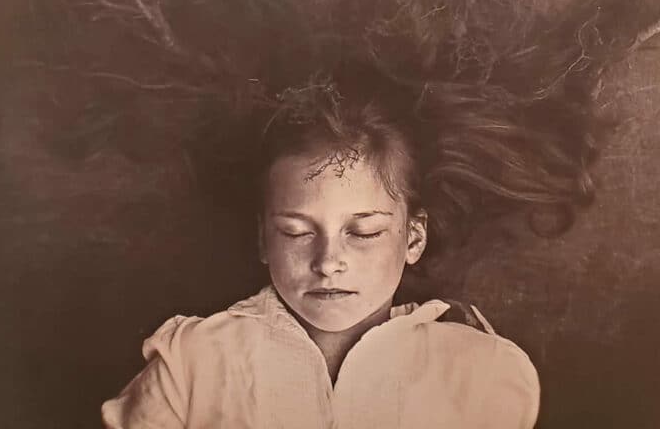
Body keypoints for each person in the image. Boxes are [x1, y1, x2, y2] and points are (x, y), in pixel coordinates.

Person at [101, 71, 551, 428]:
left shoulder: (483, 374)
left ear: (414, 238)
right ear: (263, 239)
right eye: (297, 232)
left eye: (364, 232)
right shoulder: (190, 365)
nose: (328, 262)